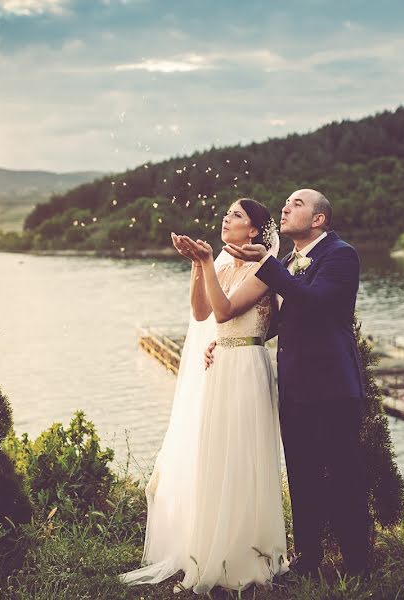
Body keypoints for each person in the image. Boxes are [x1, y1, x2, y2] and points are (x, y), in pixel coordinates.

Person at [120, 198, 289, 594]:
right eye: (227, 212)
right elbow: (201, 313)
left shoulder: (265, 270)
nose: (226, 218)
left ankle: (250, 554)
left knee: (243, 453)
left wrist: (208, 261)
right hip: (220, 367)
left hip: (247, 364)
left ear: (253, 230)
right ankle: (213, 547)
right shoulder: (225, 267)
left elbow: (227, 311)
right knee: (217, 452)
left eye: (236, 215)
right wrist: (199, 266)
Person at [222, 188, 371, 578]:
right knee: (302, 476)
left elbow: (315, 302)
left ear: (318, 219)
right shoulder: (287, 261)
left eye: (296, 204)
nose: (285, 208)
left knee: (343, 476)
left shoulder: (341, 255)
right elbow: (275, 323)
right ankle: (308, 559)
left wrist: (268, 266)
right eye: (285, 203)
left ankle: (358, 564)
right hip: (294, 388)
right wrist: (222, 345)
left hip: (333, 388)